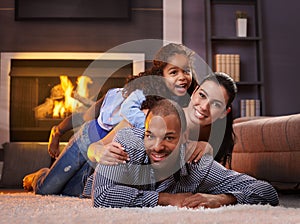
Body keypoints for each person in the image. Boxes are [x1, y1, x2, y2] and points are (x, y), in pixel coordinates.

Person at [23, 43, 200, 196]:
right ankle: (40, 175)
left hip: (106, 147)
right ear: (161, 76)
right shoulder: (147, 98)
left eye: (186, 71)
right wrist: (58, 131)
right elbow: (91, 114)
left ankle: (54, 174)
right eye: (173, 72)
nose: (182, 77)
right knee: (46, 189)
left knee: (72, 189)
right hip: (89, 137)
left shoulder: (186, 102)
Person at [91, 98, 279, 208]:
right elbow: (101, 196)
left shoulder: (198, 164)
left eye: (169, 138)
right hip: (81, 179)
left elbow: (267, 192)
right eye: (150, 136)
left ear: (184, 138)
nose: (157, 146)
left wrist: (222, 199)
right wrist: (168, 199)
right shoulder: (127, 144)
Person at [88, 72, 237, 168]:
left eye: (216, 104)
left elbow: (219, 179)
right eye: (202, 95)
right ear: (194, 92)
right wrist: (99, 152)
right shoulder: (157, 114)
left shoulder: (215, 136)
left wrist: (208, 151)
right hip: (99, 176)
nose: (204, 107)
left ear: (224, 112)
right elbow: (94, 147)